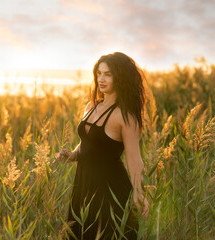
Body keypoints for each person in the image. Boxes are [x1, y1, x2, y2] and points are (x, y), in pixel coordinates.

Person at [55, 52, 149, 239]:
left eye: (108, 74)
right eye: (99, 73)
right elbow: (86, 144)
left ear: (120, 77)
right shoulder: (91, 106)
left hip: (110, 189)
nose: (101, 79)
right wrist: (72, 155)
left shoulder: (126, 116)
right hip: (83, 185)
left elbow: (134, 159)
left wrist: (138, 193)